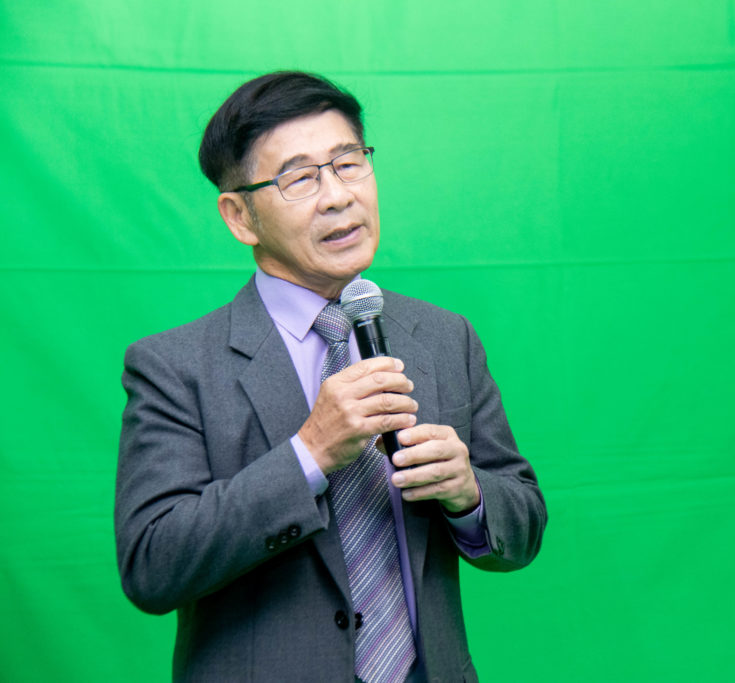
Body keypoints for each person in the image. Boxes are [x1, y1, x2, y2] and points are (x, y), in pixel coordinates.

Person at [114, 71, 546, 683]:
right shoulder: (175, 366)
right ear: (240, 216)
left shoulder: (445, 337)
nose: (339, 196)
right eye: (300, 179)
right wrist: (309, 453)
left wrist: (469, 493)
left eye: (349, 163)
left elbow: (523, 523)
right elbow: (152, 566)